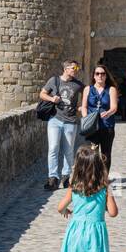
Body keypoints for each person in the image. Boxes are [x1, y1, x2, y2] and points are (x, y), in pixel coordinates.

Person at [57, 144, 119, 252]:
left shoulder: (74, 187)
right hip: (94, 232)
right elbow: (113, 213)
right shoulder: (103, 188)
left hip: (76, 229)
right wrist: (109, 192)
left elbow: (60, 207)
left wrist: (66, 212)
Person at [40, 60, 84, 191]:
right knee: (53, 148)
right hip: (55, 119)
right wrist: (52, 99)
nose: (75, 70)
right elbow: (42, 94)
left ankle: (66, 177)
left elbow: (88, 93)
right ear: (65, 69)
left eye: (76, 68)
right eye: (73, 68)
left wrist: (83, 106)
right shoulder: (54, 80)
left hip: (70, 121)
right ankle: (52, 178)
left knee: (68, 150)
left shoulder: (78, 84)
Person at [80, 63, 119, 170]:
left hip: (107, 126)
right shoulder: (88, 89)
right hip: (92, 128)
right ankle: (93, 179)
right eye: (97, 73)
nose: (100, 76)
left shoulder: (111, 89)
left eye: (102, 74)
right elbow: (84, 106)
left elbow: (114, 107)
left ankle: (104, 180)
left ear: (106, 76)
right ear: (94, 76)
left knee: (106, 154)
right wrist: (86, 118)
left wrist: (108, 113)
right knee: (91, 154)